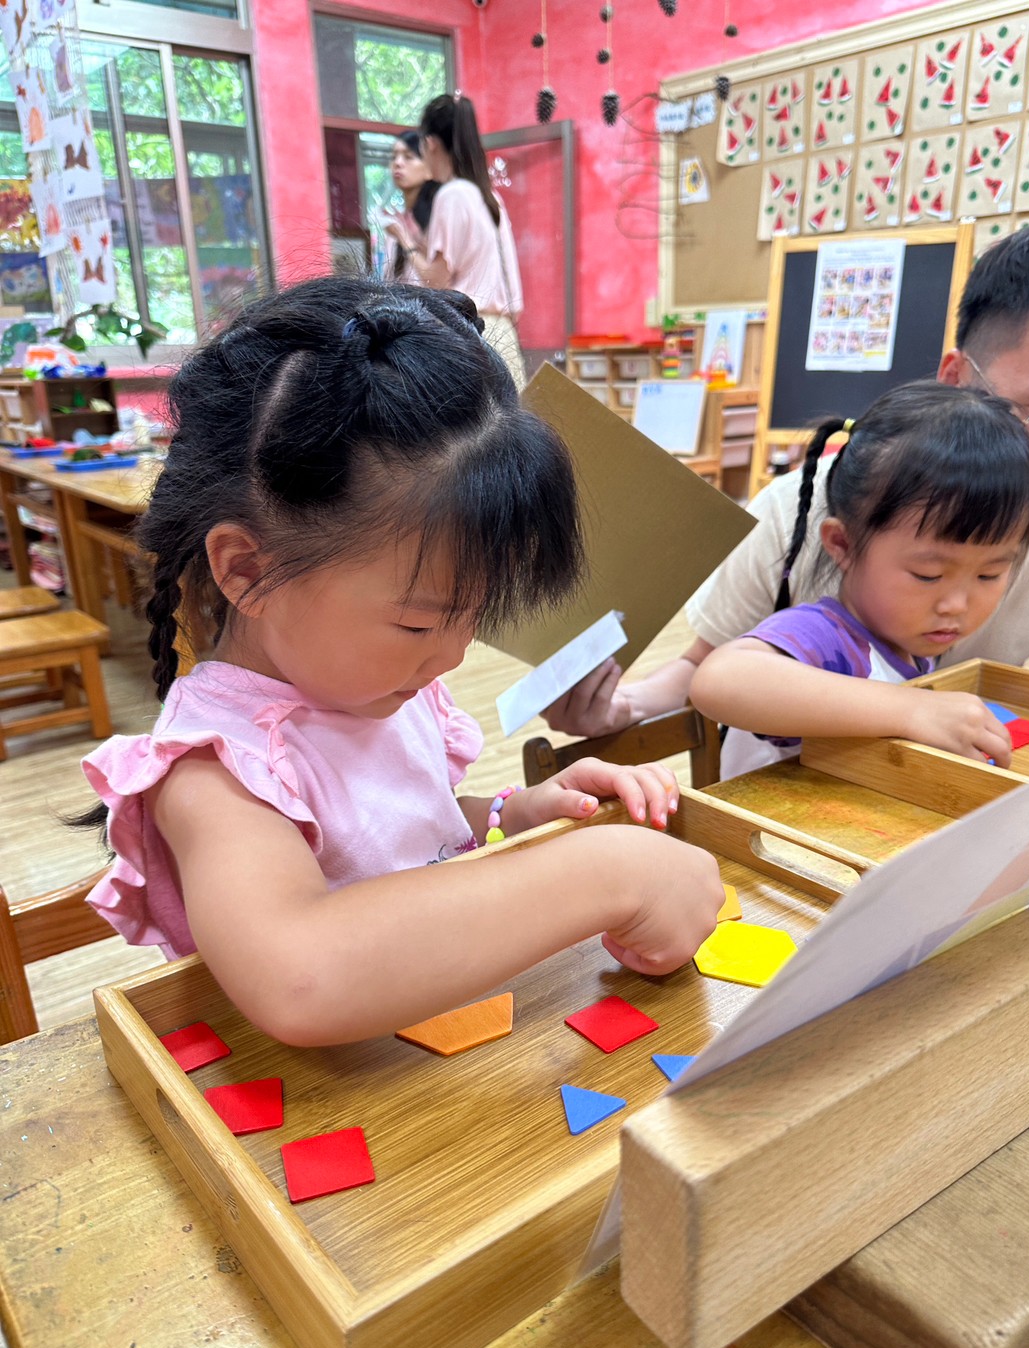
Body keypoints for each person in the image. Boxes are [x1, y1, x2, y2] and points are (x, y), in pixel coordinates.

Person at [79, 279, 723, 1048]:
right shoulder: (215, 769)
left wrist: (509, 815)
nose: (452, 653)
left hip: (438, 1063)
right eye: (419, 621)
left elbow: (404, 832)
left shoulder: (376, 686)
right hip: (332, 1095)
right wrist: (604, 873)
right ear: (247, 570)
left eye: (473, 614)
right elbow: (300, 977)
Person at [545, 210, 1029, 755]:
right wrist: (624, 704)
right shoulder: (802, 519)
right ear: (956, 381)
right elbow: (713, 672)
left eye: (991, 572)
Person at [688, 382, 1029, 776]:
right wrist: (912, 710)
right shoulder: (827, 639)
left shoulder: (908, 644)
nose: (956, 604)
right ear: (843, 544)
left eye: (989, 574)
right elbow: (720, 679)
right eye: (928, 575)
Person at [400, 92, 526, 389]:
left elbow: (436, 280)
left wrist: (405, 242)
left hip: (471, 336)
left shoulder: (452, 195)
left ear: (430, 143)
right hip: (503, 334)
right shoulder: (488, 196)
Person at [381, 130, 439, 286]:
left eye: (408, 157)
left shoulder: (440, 216)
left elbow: (439, 283)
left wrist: (405, 238)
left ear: (429, 167)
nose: (398, 163)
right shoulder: (395, 224)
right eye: (394, 157)